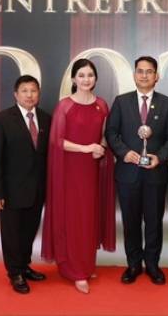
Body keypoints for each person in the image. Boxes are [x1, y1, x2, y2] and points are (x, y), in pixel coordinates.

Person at [41, 59, 115, 294]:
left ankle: (86, 264)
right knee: (73, 219)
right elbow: (57, 141)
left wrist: (101, 146)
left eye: (90, 75)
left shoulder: (102, 105)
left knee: (88, 217)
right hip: (70, 170)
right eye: (81, 75)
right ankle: (75, 271)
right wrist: (86, 148)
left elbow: (106, 134)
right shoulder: (64, 106)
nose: (86, 79)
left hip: (92, 170)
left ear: (96, 78)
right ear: (73, 79)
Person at [105, 56, 168, 285]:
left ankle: (153, 265)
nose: (144, 75)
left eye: (149, 71)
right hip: (127, 174)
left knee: (154, 221)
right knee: (130, 222)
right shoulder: (121, 102)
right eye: (140, 71)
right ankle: (133, 264)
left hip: (155, 174)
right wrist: (123, 152)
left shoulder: (167, 103)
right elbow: (111, 133)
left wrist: (161, 157)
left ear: (157, 76)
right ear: (134, 75)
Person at [0, 75, 51, 294]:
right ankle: (15, 273)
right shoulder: (1, 119)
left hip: (37, 189)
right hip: (11, 190)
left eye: (33, 91)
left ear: (38, 94)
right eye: (25, 91)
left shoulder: (46, 118)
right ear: (16, 94)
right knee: (12, 234)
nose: (29, 95)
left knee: (29, 231)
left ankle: (24, 266)